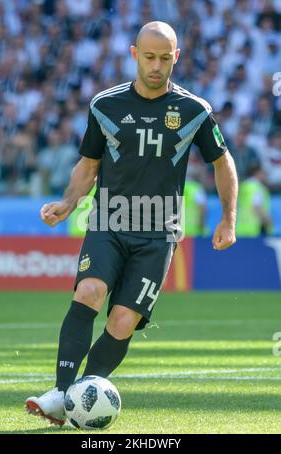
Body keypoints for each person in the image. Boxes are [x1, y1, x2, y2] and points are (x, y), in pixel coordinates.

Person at [25, 21, 238, 426]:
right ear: (133, 54)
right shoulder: (105, 105)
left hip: (158, 234)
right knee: (89, 290)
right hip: (108, 220)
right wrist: (69, 202)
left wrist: (228, 218)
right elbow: (89, 164)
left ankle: (79, 398)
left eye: (164, 58)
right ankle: (61, 390)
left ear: (176, 57)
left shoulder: (194, 110)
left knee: (122, 320)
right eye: (149, 56)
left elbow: (222, 162)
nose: (156, 66)